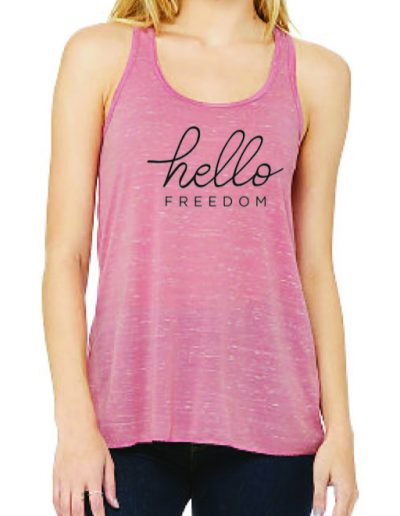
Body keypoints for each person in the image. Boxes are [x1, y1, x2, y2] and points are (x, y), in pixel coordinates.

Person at [42, 0, 359, 514]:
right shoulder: (100, 56)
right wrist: (74, 423)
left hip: (272, 420)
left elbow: (315, 267)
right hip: (122, 418)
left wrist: (340, 428)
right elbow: (65, 256)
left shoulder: (319, 76)